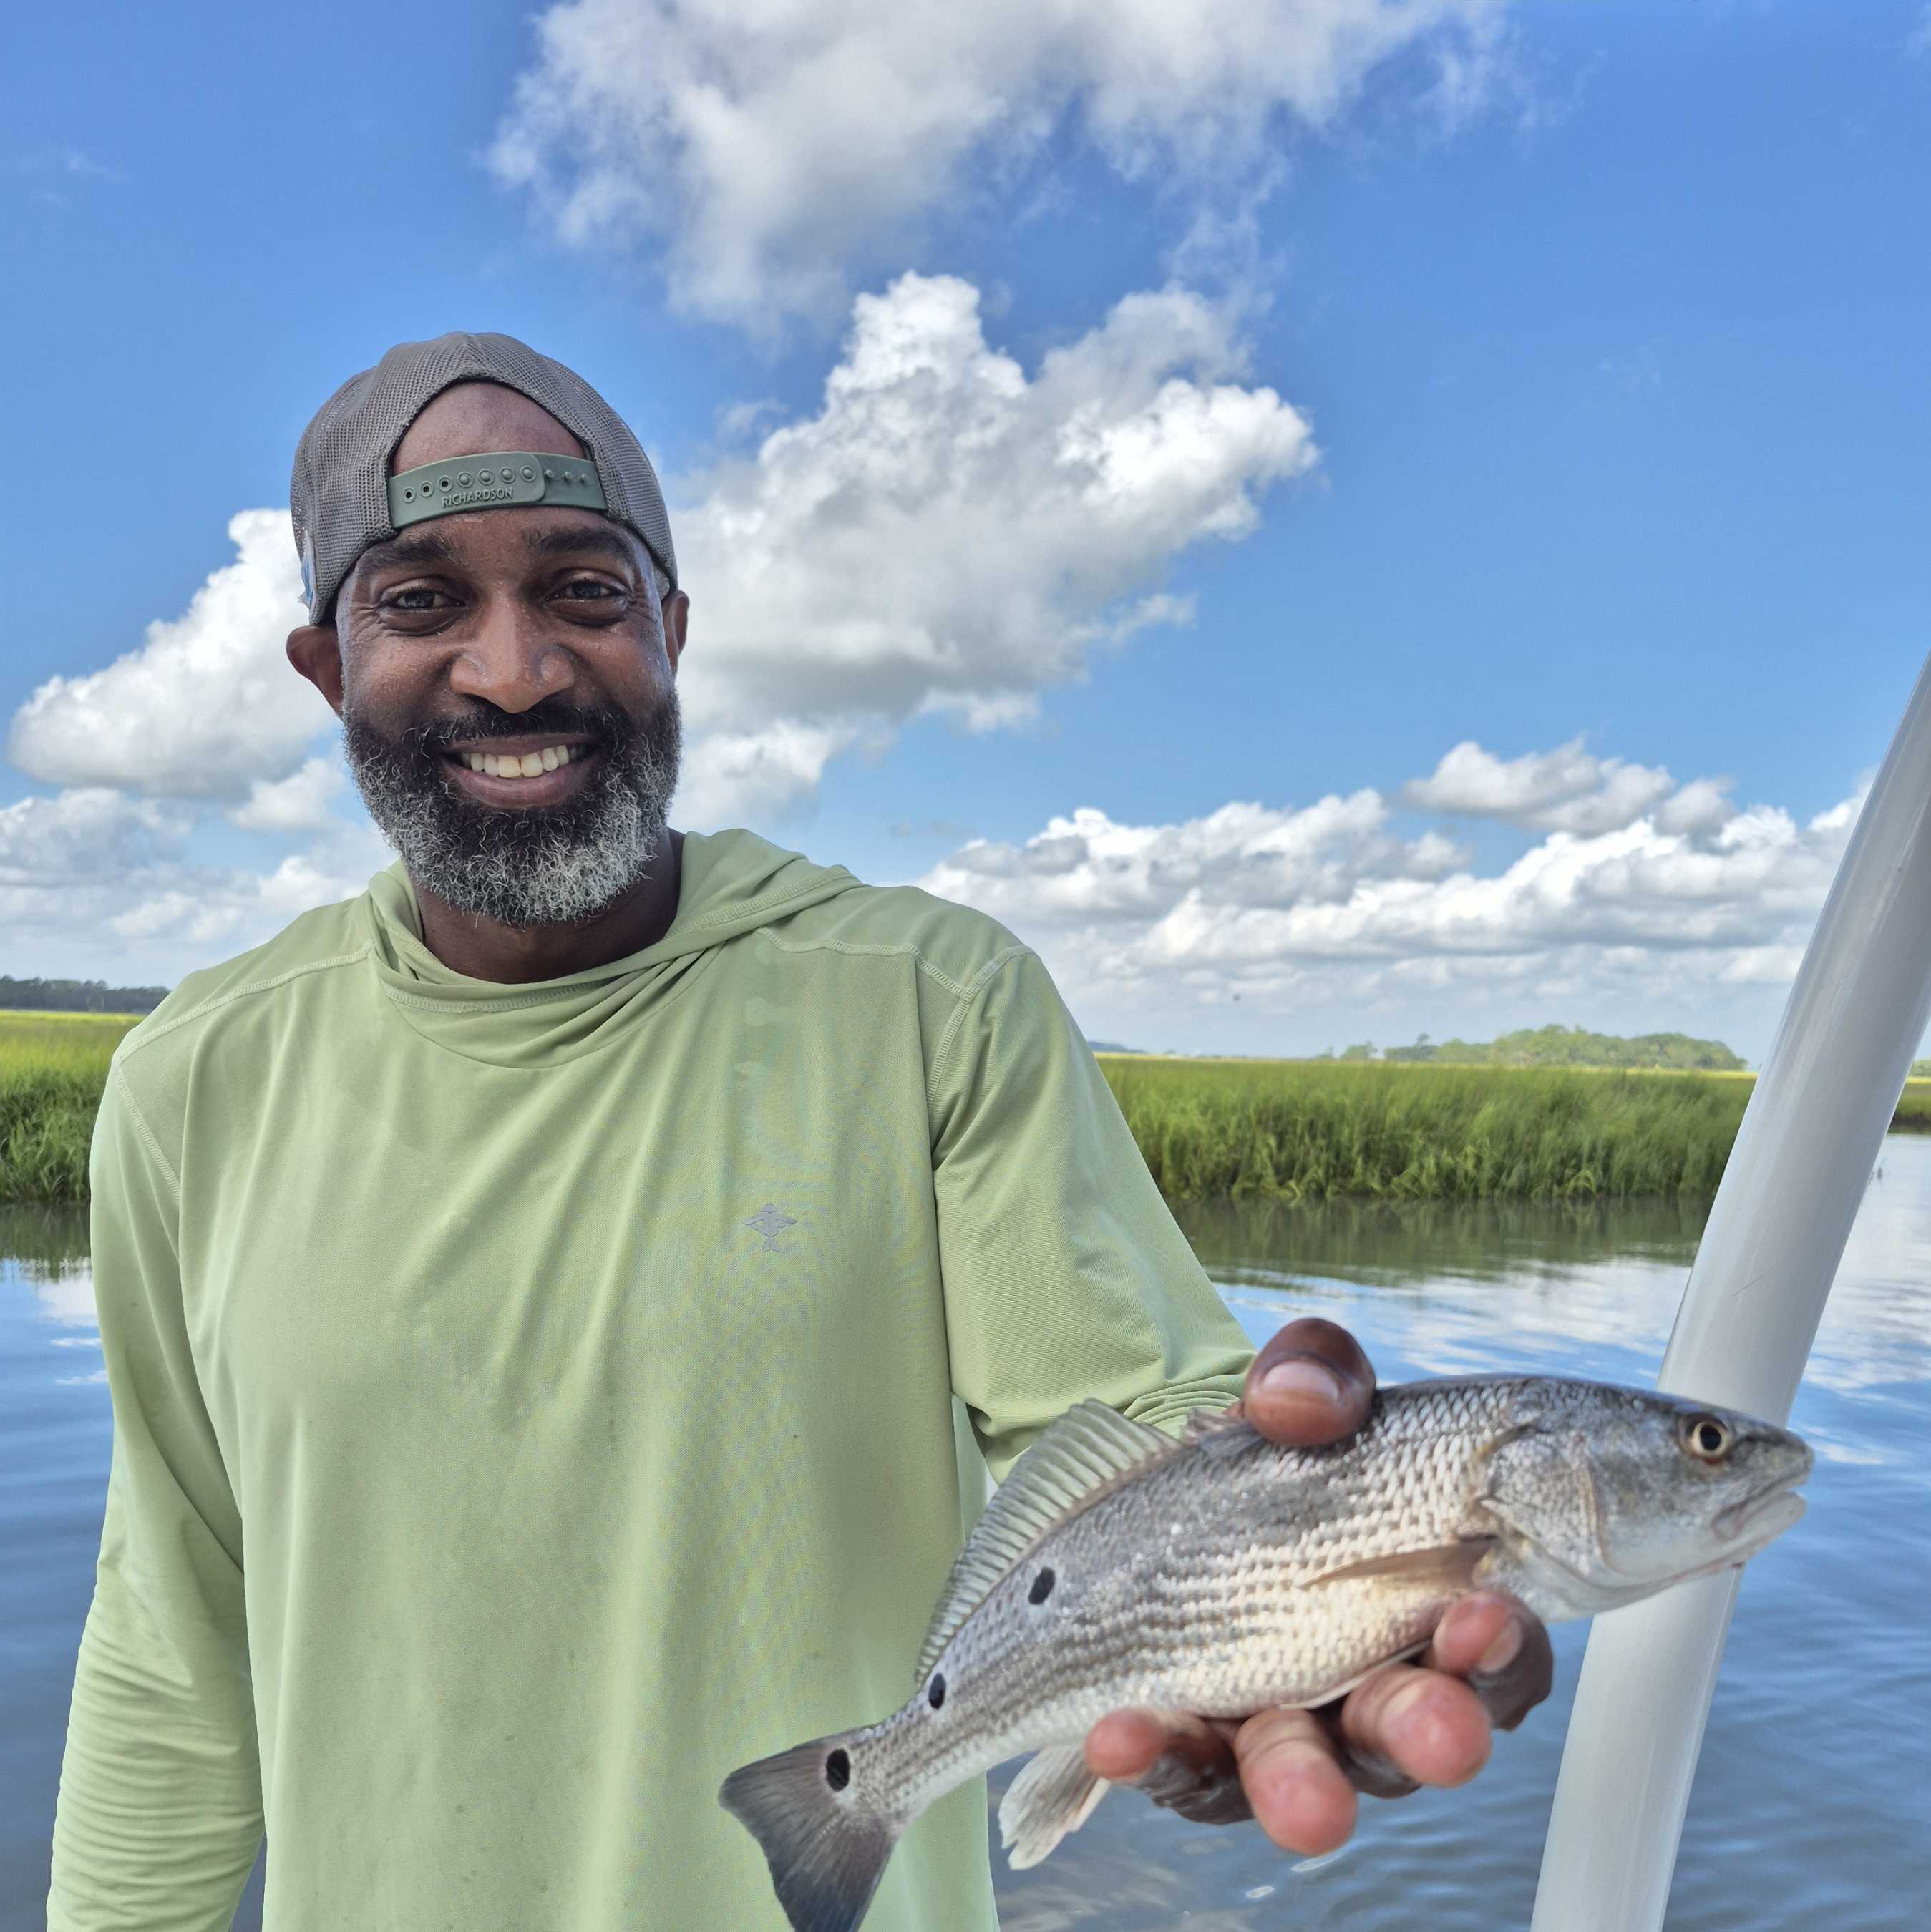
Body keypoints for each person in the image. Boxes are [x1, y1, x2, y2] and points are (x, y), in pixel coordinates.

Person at [47, 333, 1550, 1931]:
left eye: (584, 590)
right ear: (325, 666)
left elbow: (1143, 1438)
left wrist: (1321, 1593)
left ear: (673, 630)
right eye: (421, 602)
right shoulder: (194, 1083)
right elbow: (172, 1642)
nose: (514, 669)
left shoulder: (930, 1004)